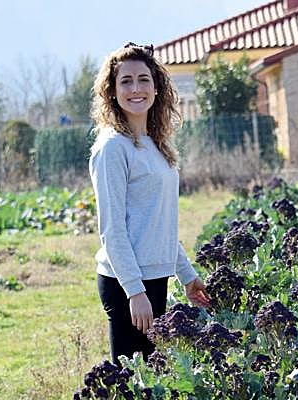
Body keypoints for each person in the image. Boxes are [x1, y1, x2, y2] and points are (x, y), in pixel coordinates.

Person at [89, 42, 210, 366]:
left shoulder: (157, 146)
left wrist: (186, 275)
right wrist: (134, 291)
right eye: (125, 81)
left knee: (155, 380)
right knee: (132, 382)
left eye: (143, 79)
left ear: (157, 87)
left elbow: (161, 223)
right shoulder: (113, 148)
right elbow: (112, 230)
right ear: (112, 91)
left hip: (155, 280)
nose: (135, 88)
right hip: (126, 283)